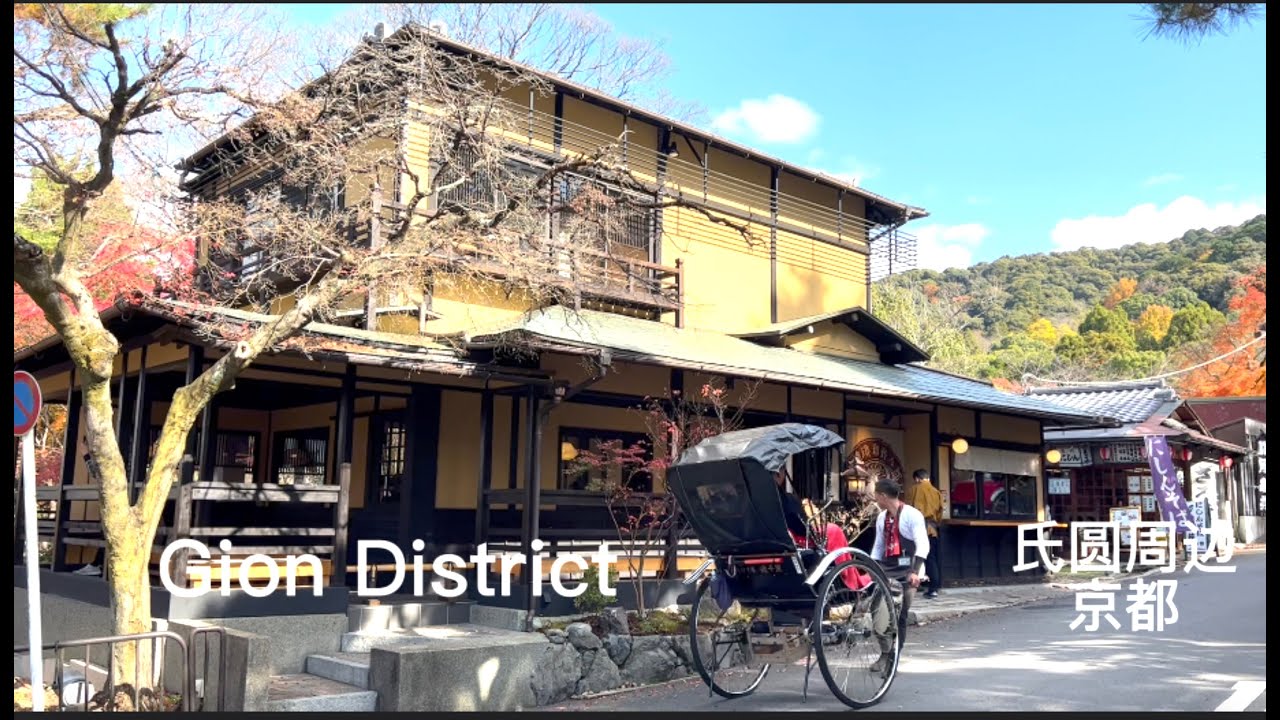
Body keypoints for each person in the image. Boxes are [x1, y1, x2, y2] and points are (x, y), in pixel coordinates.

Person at [867, 478, 931, 674]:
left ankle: (894, 656)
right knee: (877, 609)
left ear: (883, 496)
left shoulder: (912, 515)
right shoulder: (881, 518)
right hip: (887, 567)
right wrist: (871, 567)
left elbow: (923, 544)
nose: (875, 499)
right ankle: (885, 651)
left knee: (900, 615)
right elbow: (878, 546)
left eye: (876, 496)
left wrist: (914, 571)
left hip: (909, 567)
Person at [773, 467, 871, 591]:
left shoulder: (754, 500)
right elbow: (802, 527)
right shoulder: (785, 499)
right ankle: (849, 578)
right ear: (778, 474)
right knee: (833, 530)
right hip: (792, 539)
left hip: (770, 539)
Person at [904, 468, 943, 598]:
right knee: (931, 558)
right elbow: (940, 513)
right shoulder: (936, 492)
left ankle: (913, 585)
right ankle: (934, 588)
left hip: (917, 528)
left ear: (917, 479)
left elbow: (907, 510)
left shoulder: (914, 490)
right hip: (932, 529)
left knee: (914, 557)